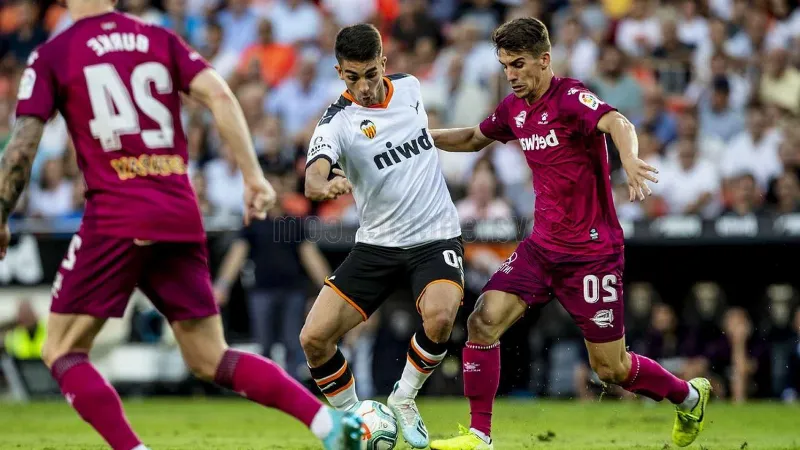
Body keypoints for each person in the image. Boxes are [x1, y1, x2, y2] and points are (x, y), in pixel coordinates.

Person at [0, 2, 363, 449]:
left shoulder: (55, 53)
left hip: (117, 212)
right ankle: (328, 424)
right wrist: (253, 177)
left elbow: (22, 146)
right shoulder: (158, 39)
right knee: (210, 357)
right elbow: (220, 96)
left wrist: (1, 214)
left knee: (61, 349)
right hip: (178, 211)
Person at [428, 18, 711, 450]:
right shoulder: (513, 109)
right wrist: (418, 138)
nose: (511, 75)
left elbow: (618, 122)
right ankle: (479, 435)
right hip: (541, 249)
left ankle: (688, 396)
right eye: (505, 66)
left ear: (544, 60)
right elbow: (470, 137)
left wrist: (629, 158)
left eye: (519, 64)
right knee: (482, 322)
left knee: (611, 368)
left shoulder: (571, 98)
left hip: (592, 254)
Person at [301, 23, 464, 449]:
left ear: (383, 64)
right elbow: (314, 177)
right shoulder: (336, 122)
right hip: (377, 243)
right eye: (353, 77)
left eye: (371, 74)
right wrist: (324, 186)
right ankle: (355, 417)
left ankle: (404, 397)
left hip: (434, 235)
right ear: (339, 72)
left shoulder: (410, 88)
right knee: (313, 339)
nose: (364, 86)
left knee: (441, 317)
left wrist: (476, 137)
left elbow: (421, 137)